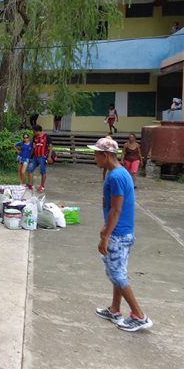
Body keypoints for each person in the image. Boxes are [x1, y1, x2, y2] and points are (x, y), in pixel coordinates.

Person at [89, 137, 153, 332]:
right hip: (122, 231)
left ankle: (139, 316)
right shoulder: (117, 173)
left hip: (118, 234)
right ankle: (115, 309)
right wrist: (105, 227)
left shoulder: (116, 176)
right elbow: (112, 208)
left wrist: (106, 236)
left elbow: (116, 209)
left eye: (96, 154)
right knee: (119, 272)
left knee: (116, 274)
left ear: (106, 155)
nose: (94, 157)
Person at [27, 125, 53, 192]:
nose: (33, 132)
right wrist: (30, 156)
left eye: (33, 131)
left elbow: (50, 147)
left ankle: (42, 186)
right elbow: (33, 147)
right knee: (30, 169)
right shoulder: (35, 137)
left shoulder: (46, 137)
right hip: (35, 157)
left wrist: (49, 157)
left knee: (42, 171)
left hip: (43, 157)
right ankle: (30, 185)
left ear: (37, 131)